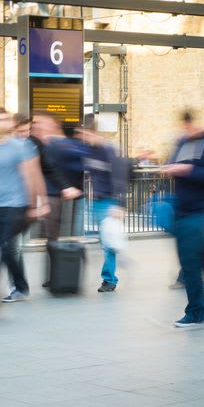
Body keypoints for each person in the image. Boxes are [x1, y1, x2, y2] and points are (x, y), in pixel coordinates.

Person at [0, 108, 47, 303]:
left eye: (4, 119)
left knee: (5, 247)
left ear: (10, 123)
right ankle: (20, 286)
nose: (1, 124)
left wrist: (35, 204)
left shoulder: (21, 147)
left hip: (16, 204)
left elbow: (31, 175)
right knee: (3, 248)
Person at [163, 110, 204, 329]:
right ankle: (195, 310)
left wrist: (189, 170)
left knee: (191, 261)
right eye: (185, 125)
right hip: (182, 211)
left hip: (200, 212)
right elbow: (172, 165)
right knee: (188, 263)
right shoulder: (181, 145)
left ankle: (196, 313)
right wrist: (171, 168)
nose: (188, 129)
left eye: (191, 125)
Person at [32, 112, 85, 287]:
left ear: (54, 125)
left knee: (63, 239)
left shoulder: (64, 145)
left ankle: (65, 275)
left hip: (63, 197)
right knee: (51, 239)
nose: (36, 127)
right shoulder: (41, 146)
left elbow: (80, 163)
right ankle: (55, 276)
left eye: (41, 123)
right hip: (51, 197)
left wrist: (72, 188)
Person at [78, 115, 129, 293]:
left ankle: (109, 280)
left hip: (110, 202)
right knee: (104, 242)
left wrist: (119, 204)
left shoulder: (109, 150)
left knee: (107, 244)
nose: (83, 137)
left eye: (84, 133)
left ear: (92, 132)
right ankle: (114, 262)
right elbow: (90, 173)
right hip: (97, 202)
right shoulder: (88, 151)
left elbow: (119, 177)